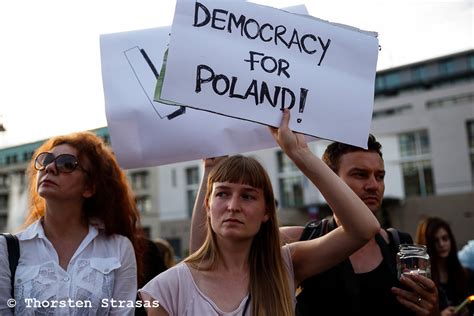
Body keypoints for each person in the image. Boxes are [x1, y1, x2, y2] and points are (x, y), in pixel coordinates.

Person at [139, 109, 381, 315]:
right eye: (222, 193)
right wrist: (211, 167)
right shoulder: (164, 289)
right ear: (208, 206)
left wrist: (300, 153)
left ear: (267, 211)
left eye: (247, 196)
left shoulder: (285, 265)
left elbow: (364, 228)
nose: (233, 206)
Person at [281, 134, 440, 316]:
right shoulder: (302, 239)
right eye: (360, 174)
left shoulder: (402, 244)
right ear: (330, 179)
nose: (373, 185)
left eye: (380, 176)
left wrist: (431, 309)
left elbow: (423, 305)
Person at [0, 131, 145, 315]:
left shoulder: (118, 248)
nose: (49, 168)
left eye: (66, 164)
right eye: (45, 160)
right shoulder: (7, 248)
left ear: (89, 188)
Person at [416, 217, 474, 316]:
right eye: (435, 241)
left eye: (445, 238)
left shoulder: (465, 274)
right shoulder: (422, 280)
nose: (441, 244)